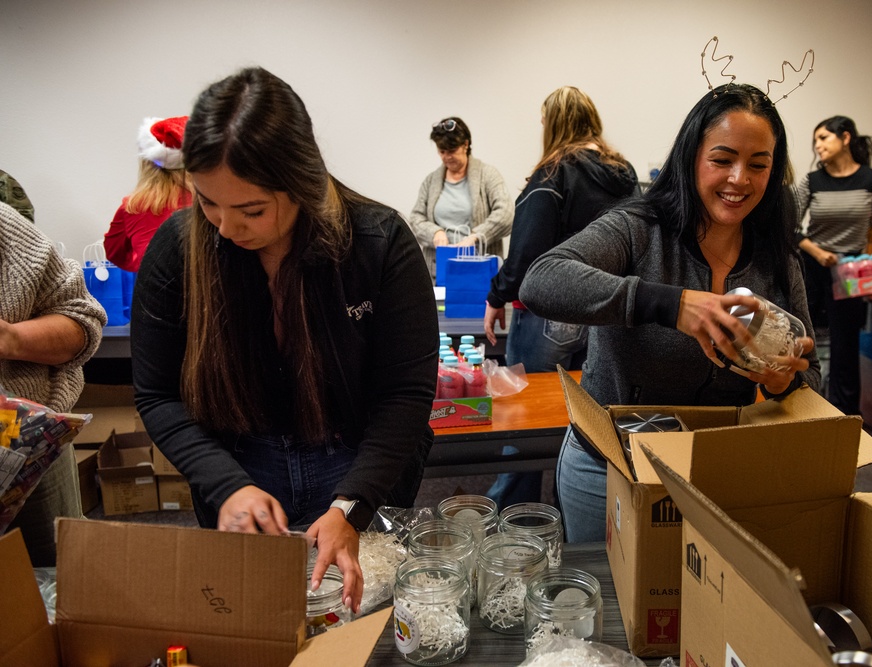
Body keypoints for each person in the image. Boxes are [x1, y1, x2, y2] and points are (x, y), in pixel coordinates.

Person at [130, 67, 439, 614]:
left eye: (250, 209)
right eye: (207, 202)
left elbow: (406, 394)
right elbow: (158, 395)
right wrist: (226, 486)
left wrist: (352, 505)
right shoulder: (178, 252)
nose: (225, 227)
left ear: (302, 184)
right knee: (253, 621)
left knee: (358, 623)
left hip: (357, 462)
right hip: (241, 467)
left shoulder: (378, 244)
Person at [519, 84, 821, 542]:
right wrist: (672, 305)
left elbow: (811, 379)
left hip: (712, 473)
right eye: (722, 160)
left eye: (758, 165)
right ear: (691, 158)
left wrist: (784, 382)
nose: (739, 179)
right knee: (611, 604)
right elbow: (542, 279)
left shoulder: (777, 259)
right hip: (609, 468)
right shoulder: (639, 230)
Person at [482, 85, 639, 509]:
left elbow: (527, 251)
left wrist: (497, 296)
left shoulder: (553, 173)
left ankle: (517, 516)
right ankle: (582, 512)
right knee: (593, 421)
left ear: (553, 124)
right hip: (608, 313)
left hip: (552, 314)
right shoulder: (624, 174)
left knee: (524, 416)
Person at [0, 201, 107, 565]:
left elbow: (82, 319)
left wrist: (10, 339)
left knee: (61, 577)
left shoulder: (6, 230)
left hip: (26, 446)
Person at [794, 115, 872, 416]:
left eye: (823, 138)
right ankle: (801, 409)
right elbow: (790, 226)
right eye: (816, 141)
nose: (818, 145)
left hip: (852, 273)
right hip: (812, 268)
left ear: (846, 138)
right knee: (804, 340)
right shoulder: (811, 181)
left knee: (845, 348)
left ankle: (844, 418)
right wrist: (818, 252)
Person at [409, 117, 513, 278]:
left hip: (479, 271)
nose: (446, 157)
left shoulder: (488, 175)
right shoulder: (431, 181)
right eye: (441, 152)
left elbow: (506, 214)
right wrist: (435, 233)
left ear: (465, 145)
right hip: (438, 273)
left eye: (451, 151)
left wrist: (476, 236)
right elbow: (416, 218)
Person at [104, 116, 193, 273]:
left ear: (146, 162)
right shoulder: (208, 202)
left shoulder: (132, 206)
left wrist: (142, 266)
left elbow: (113, 252)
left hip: (153, 290)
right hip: (206, 288)